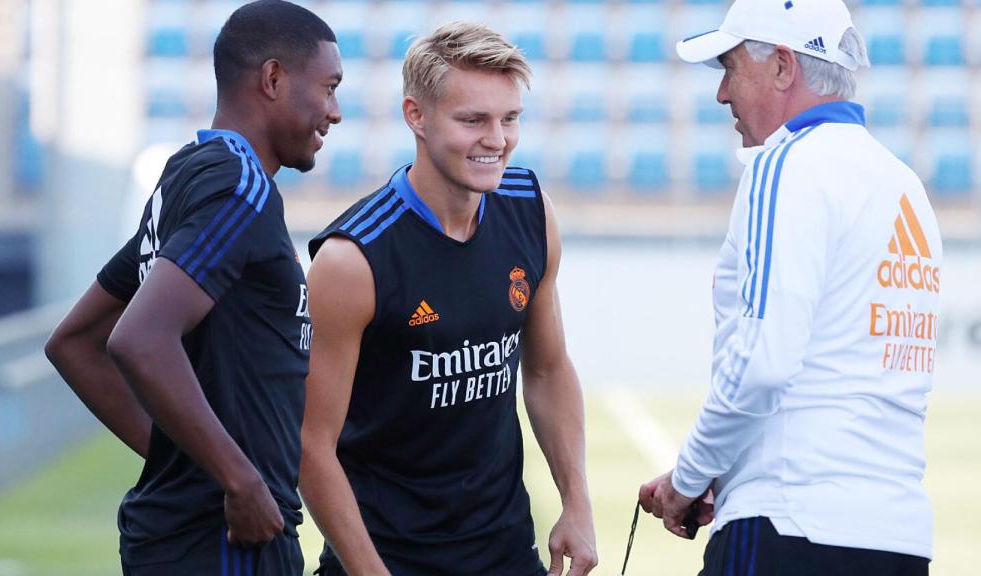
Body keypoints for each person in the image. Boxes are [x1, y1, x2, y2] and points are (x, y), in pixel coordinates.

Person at [637, 0, 941, 574]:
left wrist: (688, 478)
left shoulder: (788, 164)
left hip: (788, 522)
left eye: (730, 68)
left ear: (782, 66)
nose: (721, 93)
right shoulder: (905, 185)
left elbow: (762, 365)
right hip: (899, 537)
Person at [43, 1, 342, 573]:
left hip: (197, 533)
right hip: (223, 542)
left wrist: (183, 462)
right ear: (273, 79)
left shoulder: (192, 174)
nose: (335, 111)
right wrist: (237, 480)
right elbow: (138, 338)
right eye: (328, 88)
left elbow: (74, 341)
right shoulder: (238, 190)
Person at [299, 22, 597, 576]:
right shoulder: (351, 260)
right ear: (416, 116)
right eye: (473, 120)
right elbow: (310, 444)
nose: (497, 140)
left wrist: (577, 504)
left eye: (510, 118)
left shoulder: (531, 211)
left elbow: (548, 370)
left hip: (507, 556)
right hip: (385, 561)